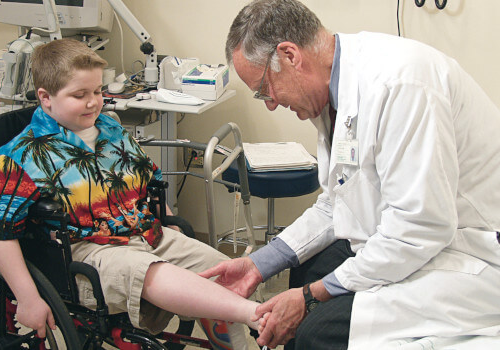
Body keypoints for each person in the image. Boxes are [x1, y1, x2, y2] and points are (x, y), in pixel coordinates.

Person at [199, 0, 500, 349]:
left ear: (291, 56)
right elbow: (337, 202)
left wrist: (311, 297)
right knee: (307, 267)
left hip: (469, 250)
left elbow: (421, 228)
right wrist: (258, 264)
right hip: (405, 233)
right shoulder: (335, 94)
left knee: (315, 330)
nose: (270, 103)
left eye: (265, 89)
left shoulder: (401, 84)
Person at [0, 38, 260, 350]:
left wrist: (168, 220)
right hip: (87, 251)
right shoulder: (21, 155)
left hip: (146, 233)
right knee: (151, 273)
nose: (93, 102)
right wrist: (28, 298)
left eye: (98, 91)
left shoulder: (111, 130)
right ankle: (255, 314)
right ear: (45, 97)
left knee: (224, 274)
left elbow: (147, 178)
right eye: (80, 95)